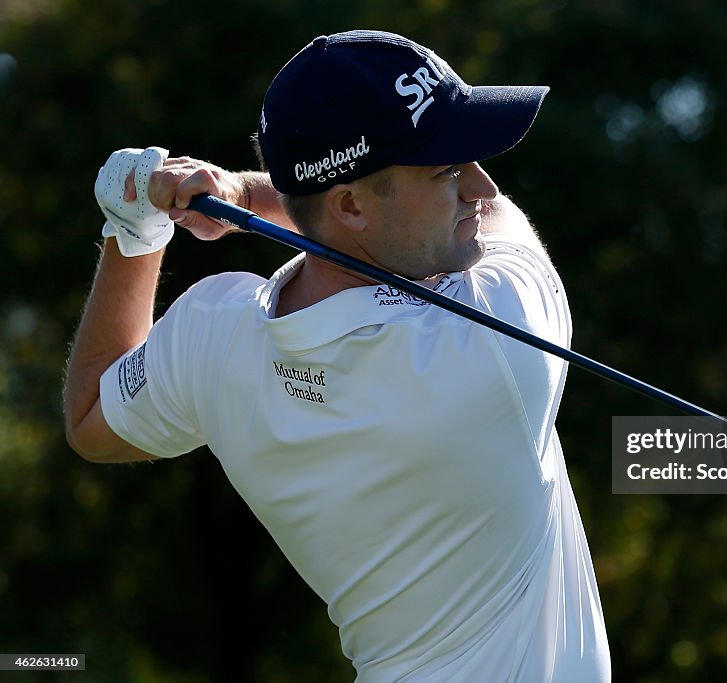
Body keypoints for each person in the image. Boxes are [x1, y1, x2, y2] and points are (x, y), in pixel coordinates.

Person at [63, 30, 611, 682]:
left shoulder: (214, 336)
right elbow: (496, 221)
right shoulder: (498, 339)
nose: (482, 188)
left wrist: (133, 228)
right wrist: (243, 193)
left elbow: (91, 415)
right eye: (447, 169)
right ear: (350, 205)